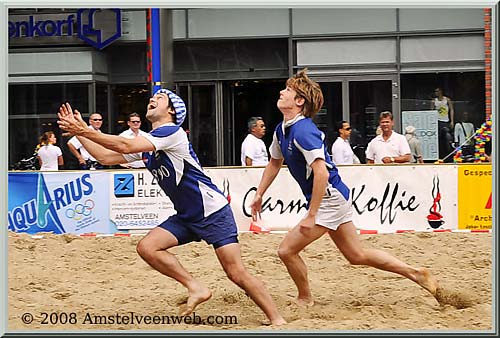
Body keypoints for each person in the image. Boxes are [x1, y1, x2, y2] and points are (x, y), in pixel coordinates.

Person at [57, 89, 286, 326]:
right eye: (152, 98)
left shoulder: (172, 132)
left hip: (213, 212)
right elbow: (105, 158)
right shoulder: (150, 147)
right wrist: (82, 132)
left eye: (159, 98)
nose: (152, 99)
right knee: (148, 247)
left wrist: (84, 130)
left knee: (236, 273)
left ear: (171, 111)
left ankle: (276, 319)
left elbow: (124, 145)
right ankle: (195, 287)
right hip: (187, 216)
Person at [250, 69, 439, 307]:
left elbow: (322, 172)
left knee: (286, 250)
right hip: (333, 196)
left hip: (329, 198)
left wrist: (312, 214)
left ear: (299, 101)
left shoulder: (303, 131)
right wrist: (259, 194)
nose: (281, 92)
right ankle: (416, 273)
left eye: (287, 90)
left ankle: (305, 298)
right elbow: (274, 163)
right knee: (356, 255)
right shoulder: (282, 129)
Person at [431, 88, 455, 162]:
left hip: (445, 121)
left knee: (447, 138)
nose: (436, 93)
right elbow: (431, 111)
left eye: (437, 91)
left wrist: (452, 121)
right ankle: (439, 155)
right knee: (438, 139)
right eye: (435, 91)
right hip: (437, 121)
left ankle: (448, 156)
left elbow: (451, 110)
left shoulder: (447, 100)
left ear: (441, 91)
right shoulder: (433, 101)